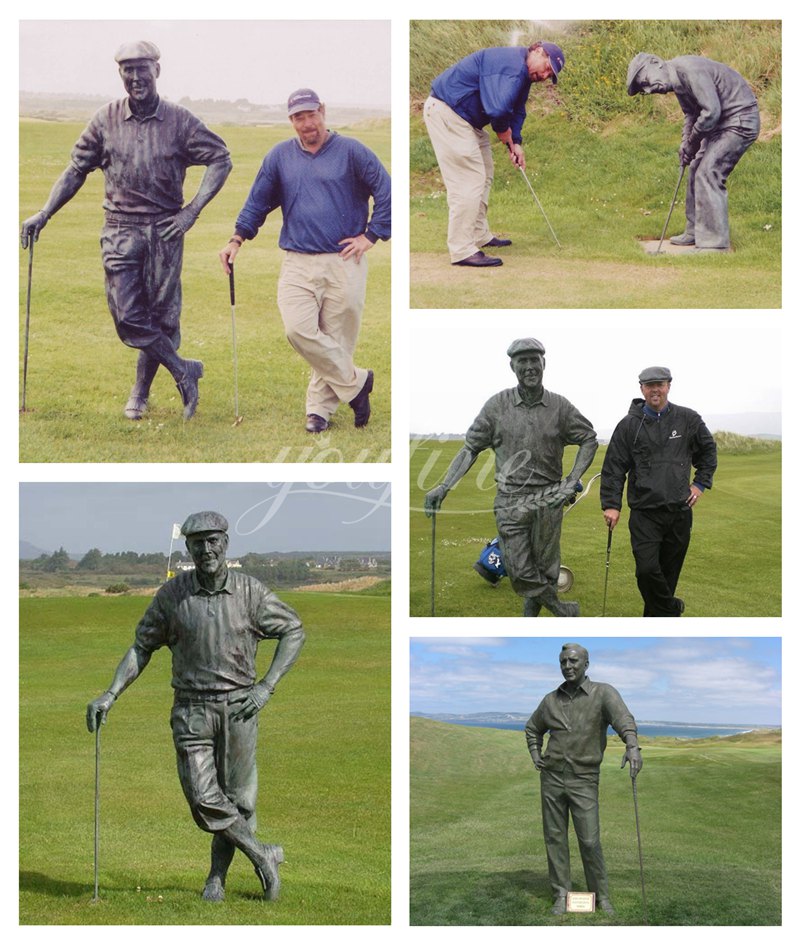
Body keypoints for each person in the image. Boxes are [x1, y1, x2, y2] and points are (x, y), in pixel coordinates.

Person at [85, 511, 305, 901]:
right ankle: (262, 854)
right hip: (191, 710)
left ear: (226, 543)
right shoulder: (172, 596)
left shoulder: (251, 593)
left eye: (213, 541)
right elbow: (141, 647)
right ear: (187, 547)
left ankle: (216, 879)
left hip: (240, 707)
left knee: (239, 800)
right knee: (203, 797)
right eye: (197, 542)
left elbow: (293, 630)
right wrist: (111, 692)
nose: (206, 549)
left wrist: (267, 687)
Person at [19, 41, 232, 421]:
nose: (135, 77)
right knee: (128, 318)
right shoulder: (105, 120)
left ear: (157, 71)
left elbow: (220, 158)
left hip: (166, 230)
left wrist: (192, 212)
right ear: (120, 74)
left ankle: (140, 391)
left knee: (164, 319)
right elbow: (76, 170)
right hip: (120, 229)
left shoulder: (180, 121)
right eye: (127, 70)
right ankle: (184, 370)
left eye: (142, 69)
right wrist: (44, 212)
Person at [219, 88, 391, 434]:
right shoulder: (279, 157)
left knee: (337, 337)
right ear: (291, 120)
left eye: (311, 114)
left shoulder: (352, 151)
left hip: (344, 260)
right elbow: (258, 202)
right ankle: (357, 384)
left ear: (323, 112)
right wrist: (237, 238)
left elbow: (386, 190)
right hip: (297, 260)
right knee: (298, 329)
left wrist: (371, 235)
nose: (307, 123)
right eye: (299, 117)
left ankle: (319, 410)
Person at [424, 338, 597, 616]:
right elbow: (470, 448)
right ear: (512, 366)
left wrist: (571, 480)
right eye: (522, 361)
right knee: (517, 568)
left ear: (544, 363)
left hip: (549, 500)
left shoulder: (560, 407)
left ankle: (530, 621)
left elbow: (588, 438)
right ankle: (563, 611)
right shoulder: (496, 406)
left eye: (534, 360)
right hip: (510, 501)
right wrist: (444, 486)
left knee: (546, 569)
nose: (529, 367)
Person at [423, 41, 565, 267]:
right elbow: (498, 109)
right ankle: (461, 249)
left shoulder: (523, 74)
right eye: (547, 67)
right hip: (448, 112)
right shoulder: (511, 65)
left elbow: (517, 109)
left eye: (550, 74)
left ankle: (479, 234)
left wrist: (515, 142)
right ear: (537, 51)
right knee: (469, 180)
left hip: (467, 120)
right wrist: (503, 132)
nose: (546, 75)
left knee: (485, 172)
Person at [525, 643, 642, 915]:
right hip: (552, 779)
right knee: (555, 838)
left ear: (586, 664)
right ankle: (561, 894)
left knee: (589, 840)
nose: (568, 666)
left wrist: (632, 745)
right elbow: (533, 729)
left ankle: (600, 895)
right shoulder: (550, 700)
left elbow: (623, 719)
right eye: (564, 661)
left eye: (574, 661)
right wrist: (535, 753)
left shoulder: (603, 693)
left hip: (584, 779)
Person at [600, 366, 718, 616]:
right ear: (641, 388)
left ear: (668, 386)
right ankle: (671, 608)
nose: (655, 389)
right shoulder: (629, 425)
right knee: (646, 570)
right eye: (649, 385)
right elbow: (614, 468)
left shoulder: (688, 419)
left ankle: (655, 618)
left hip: (679, 512)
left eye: (660, 384)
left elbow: (708, 452)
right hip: (645, 513)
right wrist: (612, 504)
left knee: (668, 576)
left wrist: (699, 483)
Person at [626, 52, 760, 251]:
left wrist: (693, 141)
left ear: (656, 62)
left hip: (739, 122)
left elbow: (711, 112)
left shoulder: (689, 70)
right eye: (643, 89)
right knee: (696, 168)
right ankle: (695, 232)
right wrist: (686, 143)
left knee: (708, 172)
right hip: (720, 125)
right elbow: (691, 114)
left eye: (645, 81)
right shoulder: (678, 82)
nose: (649, 89)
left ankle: (714, 245)